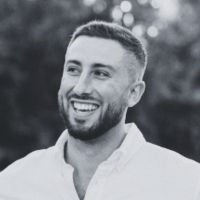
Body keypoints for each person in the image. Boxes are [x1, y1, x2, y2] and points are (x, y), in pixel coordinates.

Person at [0, 20, 200, 200]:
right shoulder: (13, 183)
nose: (80, 87)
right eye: (73, 69)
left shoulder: (187, 184)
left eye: (101, 73)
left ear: (134, 93)